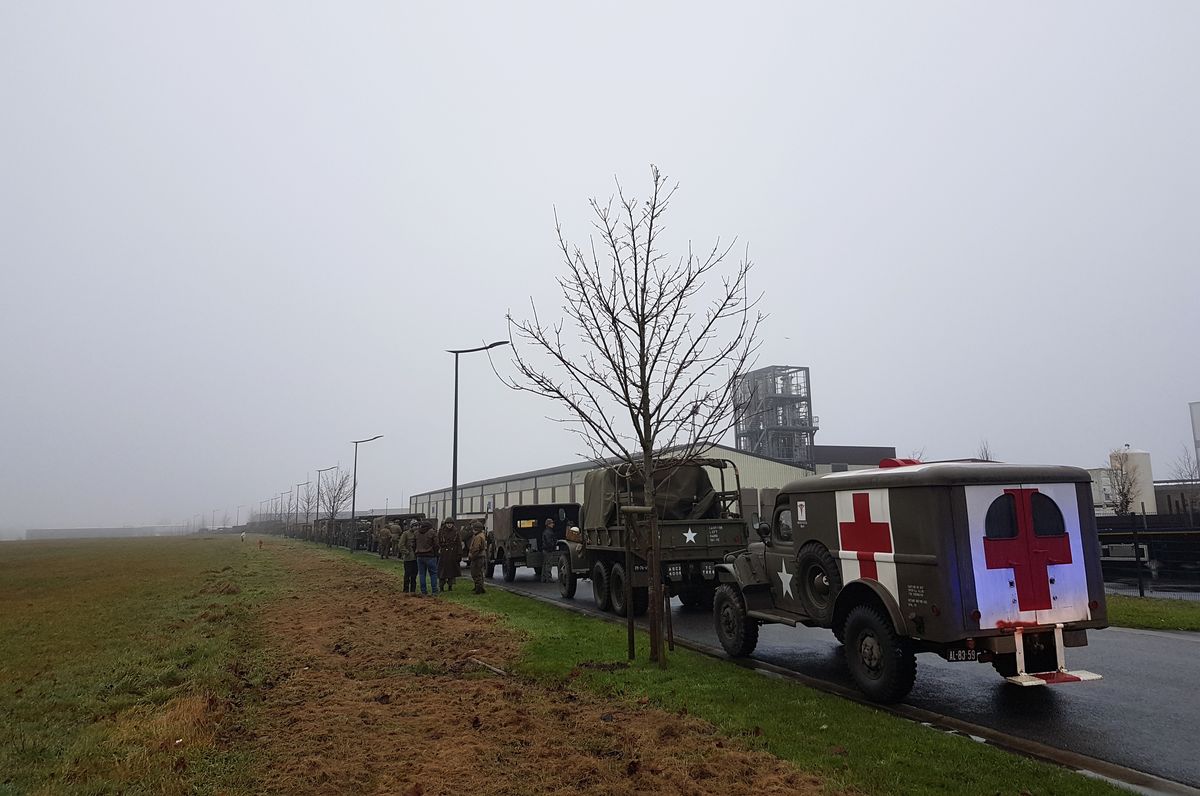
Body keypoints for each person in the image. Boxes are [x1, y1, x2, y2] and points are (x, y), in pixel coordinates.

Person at [414, 520, 439, 595]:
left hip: (419, 556)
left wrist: (416, 552)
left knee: (422, 574)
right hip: (430, 556)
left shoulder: (416, 533)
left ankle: (423, 591)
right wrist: (435, 553)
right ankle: (434, 591)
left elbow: (413, 544)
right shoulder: (432, 532)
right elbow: (436, 544)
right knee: (433, 574)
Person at [437, 520, 462, 592]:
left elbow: (459, 543)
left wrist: (459, 554)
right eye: (448, 523)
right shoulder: (441, 531)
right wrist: (439, 549)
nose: (449, 525)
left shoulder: (456, 532)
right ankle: (441, 587)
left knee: (451, 572)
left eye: (450, 523)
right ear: (445, 524)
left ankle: (450, 586)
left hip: (453, 553)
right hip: (443, 554)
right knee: (442, 572)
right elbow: (437, 542)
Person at [397, 520, 418, 593]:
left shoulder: (418, 534)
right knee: (407, 574)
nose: (416, 527)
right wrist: (406, 552)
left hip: (416, 558)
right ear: (411, 526)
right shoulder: (405, 534)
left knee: (414, 575)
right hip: (408, 558)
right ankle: (405, 590)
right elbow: (401, 545)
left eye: (417, 526)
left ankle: (413, 590)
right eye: (414, 526)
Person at [468, 521, 488, 594]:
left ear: (476, 529)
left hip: (477, 557)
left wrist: (472, 556)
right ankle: (481, 588)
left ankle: (478, 589)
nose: (472, 530)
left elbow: (476, 548)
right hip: (481, 556)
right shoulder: (481, 535)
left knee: (475, 573)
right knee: (480, 573)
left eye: (473, 529)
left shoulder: (478, 537)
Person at [540, 518, 558, 583]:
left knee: (545, 564)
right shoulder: (549, 532)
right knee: (548, 564)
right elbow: (549, 542)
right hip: (548, 550)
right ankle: (549, 578)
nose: (553, 524)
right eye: (552, 523)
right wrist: (554, 545)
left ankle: (543, 578)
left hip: (545, 550)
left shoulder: (546, 531)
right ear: (548, 524)